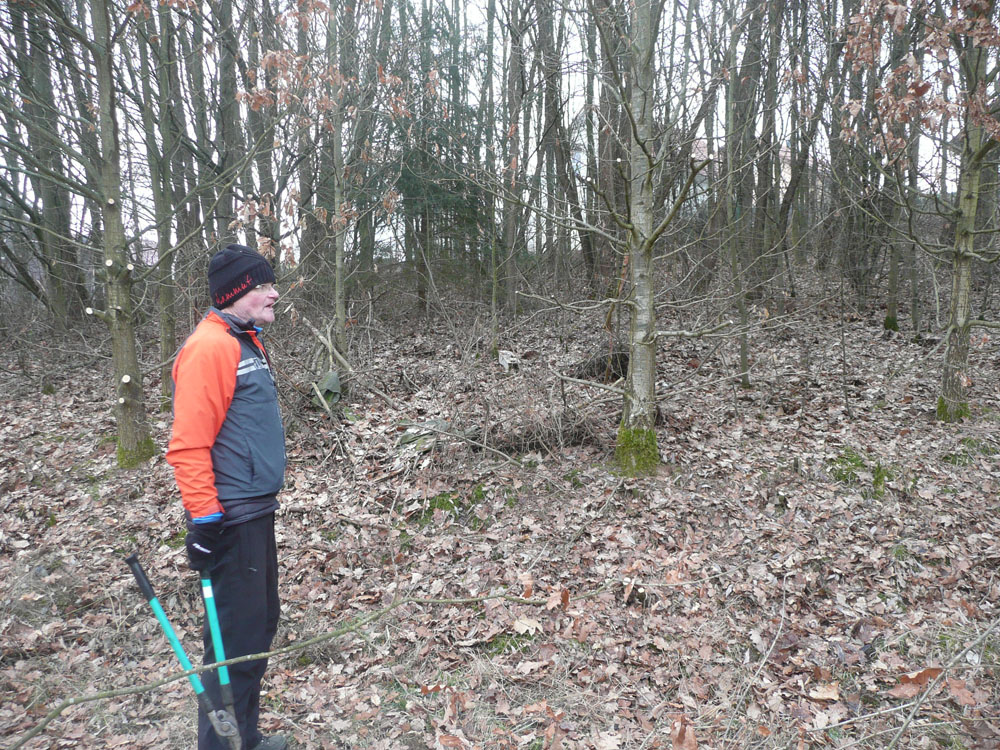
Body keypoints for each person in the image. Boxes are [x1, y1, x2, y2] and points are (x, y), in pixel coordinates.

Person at [166, 244, 287, 750]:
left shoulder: (244, 342)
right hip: (231, 520)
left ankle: (247, 737)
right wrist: (205, 519)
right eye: (263, 286)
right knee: (233, 643)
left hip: (255, 511)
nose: (274, 293)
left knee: (257, 630)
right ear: (237, 292)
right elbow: (188, 445)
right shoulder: (210, 348)